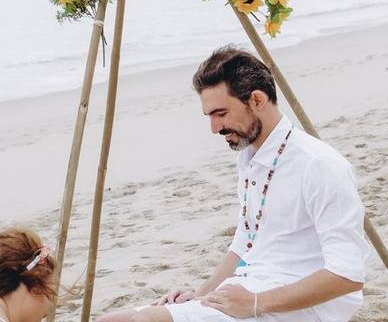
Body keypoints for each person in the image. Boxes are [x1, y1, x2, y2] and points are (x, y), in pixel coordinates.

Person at [100, 46, 370, 322]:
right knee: (111, 320)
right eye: (210, 117)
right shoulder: (248, 157)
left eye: (221, 114)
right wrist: (202, 293)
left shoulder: (319, 165)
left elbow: (348, 275)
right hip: (250, 287)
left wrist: (255, 303)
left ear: (256, 100)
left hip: (300, 306)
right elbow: (246, 241)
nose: (214, 128)